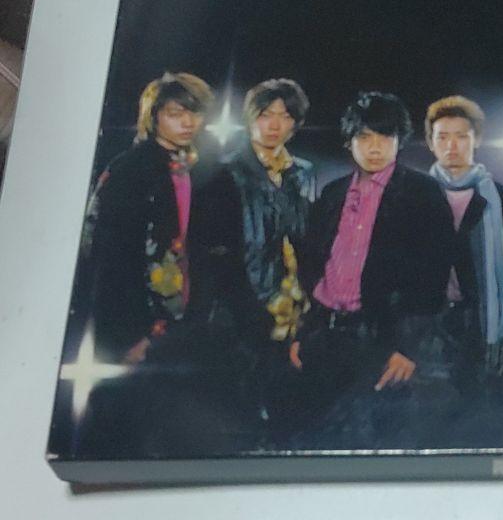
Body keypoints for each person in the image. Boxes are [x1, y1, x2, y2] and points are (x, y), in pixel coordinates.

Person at [78, 71, 256, 454]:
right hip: (137, 324)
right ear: (154, 115)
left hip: (198, 326)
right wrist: (129, 335)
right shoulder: (128, 171)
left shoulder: (216, 175)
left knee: (192, 434)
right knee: (132, 433)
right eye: (176, 113)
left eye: (195, 113)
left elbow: (228, 257)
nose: (188, 122)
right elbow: (107, 261)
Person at [291, 90, 453, 446]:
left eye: (385, 137)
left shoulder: (423, 193)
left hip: (382, 340)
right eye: (365, 137)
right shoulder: (332, 193)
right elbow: (313, 266)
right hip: (325, 336)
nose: (375, 147)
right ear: (349, 142)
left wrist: (407, 347)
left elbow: (433, 277)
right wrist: (304, 333)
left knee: (378, 444)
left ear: (400, 141)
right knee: (314, 442)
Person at [223, 78, 316, 431]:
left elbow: (307, 235)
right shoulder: (229, 171)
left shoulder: (303, 172)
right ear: (250, 118)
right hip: (247, 297)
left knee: (288, 396)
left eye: (285, 116)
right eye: (266, 115)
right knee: (244, 395)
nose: (275, 125)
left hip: (295, 298)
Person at [424, 95, 503, 384]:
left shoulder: (501, 198)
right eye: (443, 137)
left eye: (461, 136)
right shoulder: (417, 194)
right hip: (429, 326)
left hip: (482, 324)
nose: (451, 146)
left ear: (477, 139)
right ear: (430, 142)